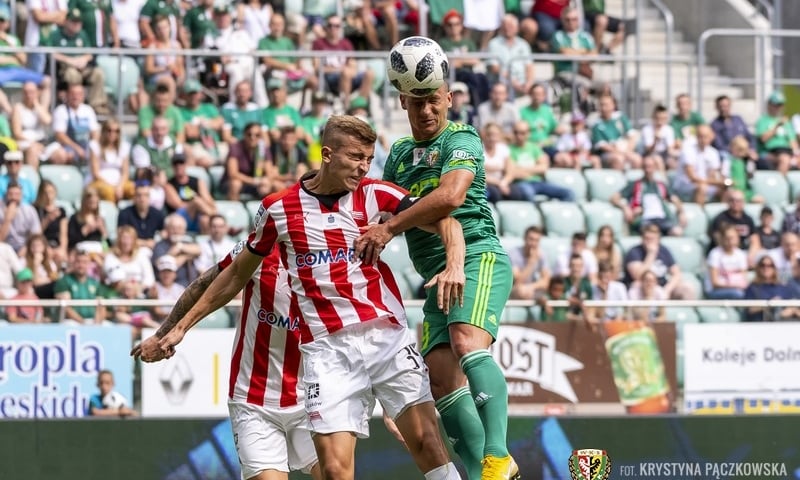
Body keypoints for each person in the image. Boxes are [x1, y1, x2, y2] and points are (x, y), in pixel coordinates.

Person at [155, 116, 465, 480]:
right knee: (333, 471)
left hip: (386, 338)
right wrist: (179, 328)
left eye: (368, 158)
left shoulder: (377, 193)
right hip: (327, 352)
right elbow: (235, 274)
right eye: (355, 157)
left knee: (428, 442)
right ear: (328, 154)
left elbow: (445, 217)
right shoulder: (278, 209)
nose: (364, 166)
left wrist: (453, 262)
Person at [355, 83, 520, 479]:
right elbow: (387, 204)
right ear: (403, 103)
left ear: (448, 99)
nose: (426, 110)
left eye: (433, 100)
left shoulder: (461, 137)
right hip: (434, 277)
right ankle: (482, 474)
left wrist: (391, 226)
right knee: (442, 380)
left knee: (465, 341)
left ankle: (499, 457)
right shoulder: (397, 153)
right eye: (417, 102)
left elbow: (450, 198)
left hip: (477, 257)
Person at [135, 247, 325, 480]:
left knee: (335, 473)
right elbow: (205, 284)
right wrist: (165, 332)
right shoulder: (259, 246)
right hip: (254, 399)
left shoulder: (332, 246)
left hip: (314, 395)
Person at [743, 255, 799, 322]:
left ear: (774, 268)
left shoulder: (783, 287)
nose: (766, 268)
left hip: (783, 324)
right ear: (758, 268)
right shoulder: (752, 288)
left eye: (770, 265)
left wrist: (791, 311)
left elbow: (792, 304)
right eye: (762, 265)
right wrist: (770, 304)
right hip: (760, 324)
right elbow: (749, 309)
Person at [509, 226, 551, 300]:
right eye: (531, 239)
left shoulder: (542, 255)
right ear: (524, 238)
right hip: (515, 290)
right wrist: (531, 263)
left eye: (537, 240)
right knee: (520, 291)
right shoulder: (514, 253)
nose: (533, 243)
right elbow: (517, 281)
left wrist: (531, 287)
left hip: (531, 289)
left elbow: (545, 282)